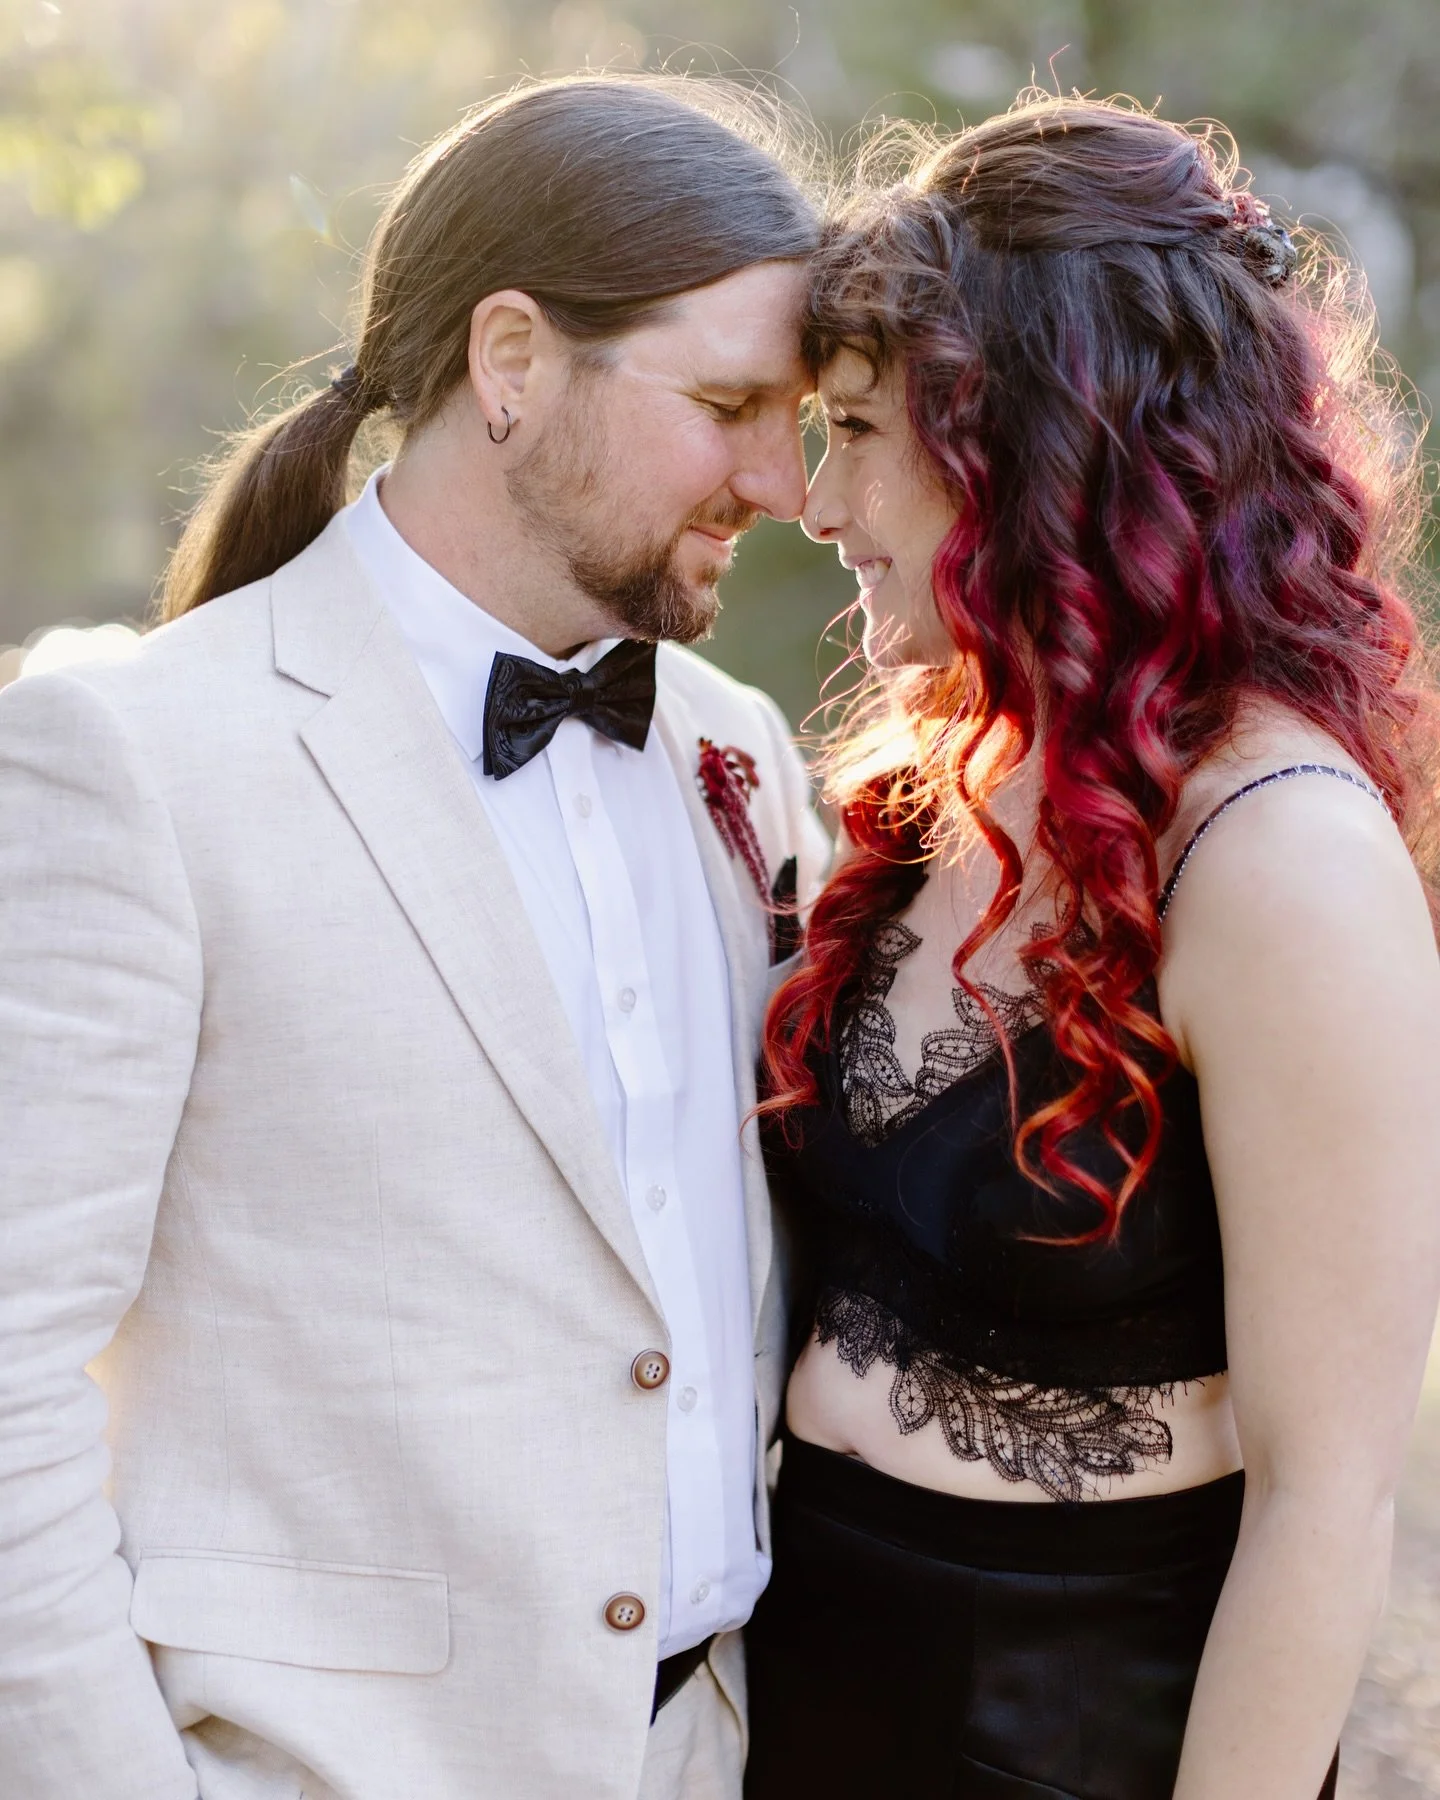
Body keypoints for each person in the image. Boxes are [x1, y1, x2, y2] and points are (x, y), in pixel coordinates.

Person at [0, 75, 829, 1800]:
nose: (785, 482)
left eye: (803, 418)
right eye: (734, 404)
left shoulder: (740, 746)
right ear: (512, 363)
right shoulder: (136, 763)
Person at [745, 96, 1440, 1800]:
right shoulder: (933, 785)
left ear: (1032, 442)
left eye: (853, 431)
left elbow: (1325, 1493)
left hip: (1070, 1736)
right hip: (793, 1695)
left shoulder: (1280, 857)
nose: (812, 501)